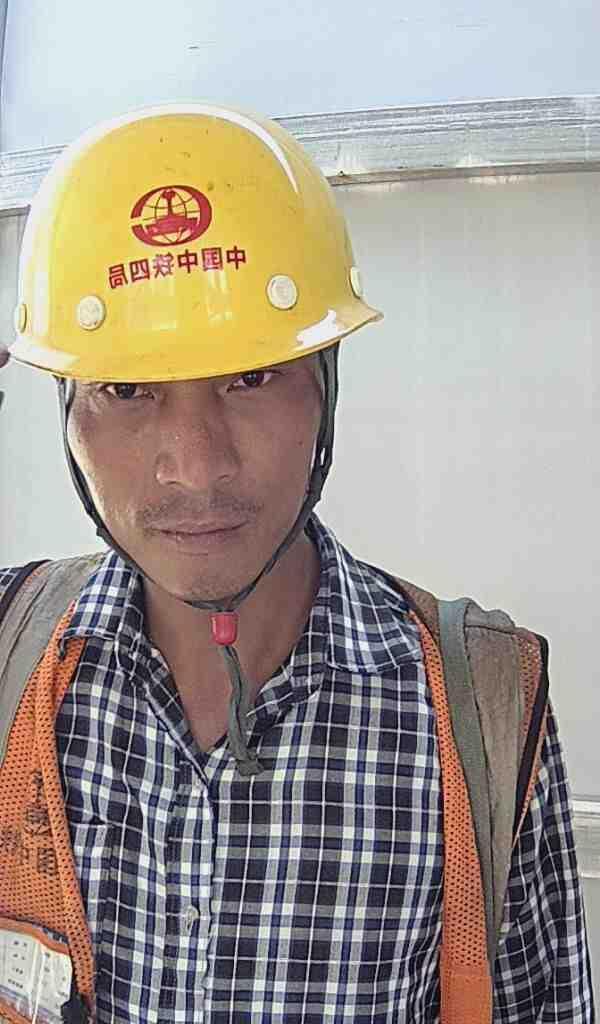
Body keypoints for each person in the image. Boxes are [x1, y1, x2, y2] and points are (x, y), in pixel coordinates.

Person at [0, 105, 594, 1024]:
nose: (196, 468)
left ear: (326, 383)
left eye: (251, 377)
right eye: (126, 390)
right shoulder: (10, 660)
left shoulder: (482, 708)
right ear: (65, 411)